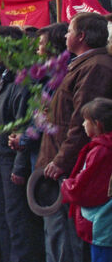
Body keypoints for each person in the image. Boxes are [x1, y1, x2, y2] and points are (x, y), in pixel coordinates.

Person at [37, 12, 112, 262]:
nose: (66, 35)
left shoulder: (96, 67)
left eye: (69, 30)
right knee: (57, 237)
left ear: (81, 36)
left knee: (65, 241)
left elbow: (83, 123)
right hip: (62, 159)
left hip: (68, 165)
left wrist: (61, 161)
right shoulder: (84, 64)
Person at [0, 26, 43, 262]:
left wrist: (19, 165)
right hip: (0, 154)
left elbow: (24, 122)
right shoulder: (5, 76)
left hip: (12, 158)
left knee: (17, 219)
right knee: (5, 215)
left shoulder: (23, 80)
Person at [61, 98, 112, 262]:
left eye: (86, 120)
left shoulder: (100, 151)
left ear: (98, 124)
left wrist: (66, 186)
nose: (83, 124)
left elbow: (82, 186)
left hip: (102, 223)